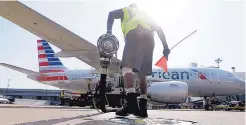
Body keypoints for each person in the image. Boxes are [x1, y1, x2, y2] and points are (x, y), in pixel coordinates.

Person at [106, 3, 170, 117]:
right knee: (142, 74)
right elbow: (159, 28)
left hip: (134, 34)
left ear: (131, 7)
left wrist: (109, 33)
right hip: (150, 39)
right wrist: (165, 47)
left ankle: (131, 102)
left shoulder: (127, 10)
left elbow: (111, 14)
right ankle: (143, 109)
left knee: (126, 68)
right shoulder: (145, 15)